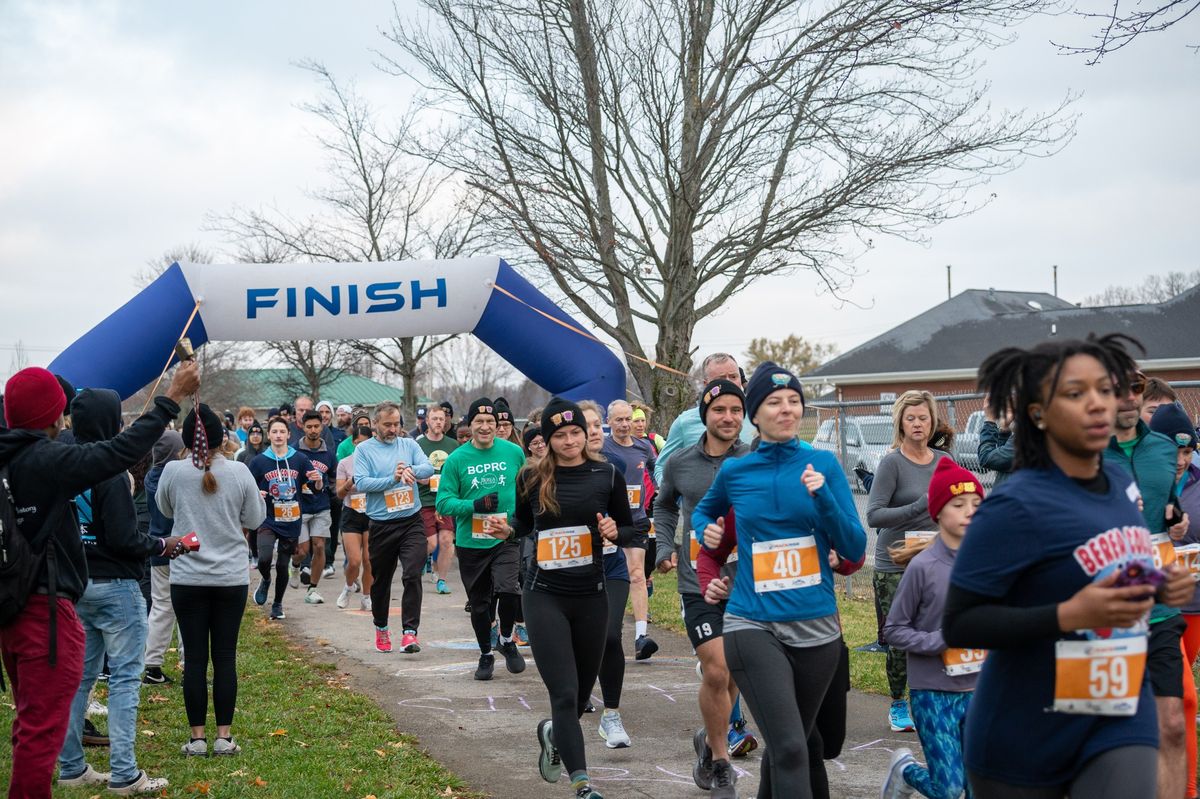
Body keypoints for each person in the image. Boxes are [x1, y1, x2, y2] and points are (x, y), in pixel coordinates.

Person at [943, 333, 1194, 799]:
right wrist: (1070, 616)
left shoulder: (1120, 481)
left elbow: (1107, 568)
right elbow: (959, 623)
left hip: (1119, 710)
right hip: (1024, 734)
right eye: (1076, 394)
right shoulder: (1014, 506)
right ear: (1038, 413)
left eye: (1105, 389)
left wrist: (1159, 585)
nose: (1098, 404)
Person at [0, 361, 198, 799]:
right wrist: (170, 397)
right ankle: (124, 773)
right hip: (48, 611)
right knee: (55, 719)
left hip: (24, 608)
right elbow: (116, 455)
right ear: (52, 416)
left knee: (44, 709)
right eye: (59, 411)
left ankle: (72, 767)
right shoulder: (47, 459)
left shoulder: (12, 459)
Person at [694, 361, 866, 798]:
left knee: (798, 743)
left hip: (817, 628)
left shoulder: (822, 464)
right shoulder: (737, 472)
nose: (786, 409)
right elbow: (703, 513)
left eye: (794, 401)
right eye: (774, 402)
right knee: (789, 745)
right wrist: (704, 529)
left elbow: (854, 548)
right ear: (755, 414)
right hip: (752, 623)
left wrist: (824, 497)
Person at [56, 388, 189, 795]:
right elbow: (125, 539)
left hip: (76, 584)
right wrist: (164, 545)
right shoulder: (110, 474)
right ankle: (125, 774)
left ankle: (72, 767)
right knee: (125, 680)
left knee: (79, 679)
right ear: (109, 423)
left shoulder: (60, 466)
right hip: (115, 587)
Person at [511, 397, 635, 799]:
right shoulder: (530, 478)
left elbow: (633, 530)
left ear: (586, 434)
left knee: (580, 698)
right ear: (546, 440)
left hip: (591, 596)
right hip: (544, 595)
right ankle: (582, 783)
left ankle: (552, 732)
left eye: (575, 433)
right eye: (559, 435)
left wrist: (616, 532)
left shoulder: (607, 474)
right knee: (563, 694)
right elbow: (523, 525)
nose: (569, 441)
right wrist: (504, 529)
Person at [653, 378, 753, 797]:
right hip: (698, 581)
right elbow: (663, 504)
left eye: (735, 410)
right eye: (719, 410)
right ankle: (720, 761)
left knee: (734, 674)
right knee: (717, 668)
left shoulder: (753, 459)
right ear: (704, 415)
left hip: (746, 582)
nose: (728, 418)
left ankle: (708, 739)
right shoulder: (679, 462)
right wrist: (662, 545)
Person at [156, 404, 265, 758]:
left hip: (187, 577)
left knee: (195, 659)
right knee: (225, 657)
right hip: (230, 577)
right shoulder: (239, 471)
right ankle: (223, 737)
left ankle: (197, 738)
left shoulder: (173, 470)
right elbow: (254, 516)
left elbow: (165, 510)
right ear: (222, 438)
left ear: (186, 438)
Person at [1106, 368, 1191, 799]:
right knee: (1098, 736)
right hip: (1099, 611)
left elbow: (1167, 509)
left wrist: (1177, 524)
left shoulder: (1162, 450)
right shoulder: (1081, 452)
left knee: (1173, 724)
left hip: (1159, 609)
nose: (1126, 396)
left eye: (1134, 387)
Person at [880, 458, 985, 799]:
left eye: (976, 503)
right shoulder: (923, 568)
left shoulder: (989, 564)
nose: (969, 511)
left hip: (979, 690)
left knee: (977, 787)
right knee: (948, 788)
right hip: (933, 692)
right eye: (958, 504)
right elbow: (894, 630)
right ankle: (905, 771)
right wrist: (939, 641)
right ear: (939, 512)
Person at [867, 390, 947, 733]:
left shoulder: (944, 461)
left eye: (923, 418)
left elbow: (959, 501)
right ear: (900, 422)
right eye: (911, 418)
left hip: (936, 561)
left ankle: (930, 699)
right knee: (902, 637)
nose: (917, 424)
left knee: (936, 633)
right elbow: (874, 516)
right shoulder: (892, 463)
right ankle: (899, 703)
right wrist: (919, 507)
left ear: (932, 422)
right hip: (895, 565)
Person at [436, 398, 527, 679]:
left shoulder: (513, 453)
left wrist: (520, 521)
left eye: (491, 422)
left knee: (510, 589)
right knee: (480, 604)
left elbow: (525, 491)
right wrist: (474, 505)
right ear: (470, 425)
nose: (486, 427)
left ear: (498, 426)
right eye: (480, 422)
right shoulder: (457, 459)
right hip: (472, 542)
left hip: (505, 536)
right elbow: (443, 503)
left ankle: (507, 639)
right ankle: (486, 654)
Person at [575, 400, 635, 748]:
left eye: (599, 424)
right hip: (570, 570)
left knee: (610, 636)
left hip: (611, 565)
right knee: (581, 643)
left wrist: (616, 531)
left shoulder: (613, 467)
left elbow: (629, 530)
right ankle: (573, 703)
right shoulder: (551, 473)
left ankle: (611, 716)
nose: (596, 431)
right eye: (589, 425)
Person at [353, 401, 434, 653]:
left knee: (412, 573)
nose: (393, 429)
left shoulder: (408, 444)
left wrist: (410, 469)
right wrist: (393, 479)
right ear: (375, 424)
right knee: (381, 581)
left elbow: (428, 467)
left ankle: (410, 633)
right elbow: (362, 482)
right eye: (387, 425)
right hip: (381, 524)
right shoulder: (364, 450)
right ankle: (381, 626)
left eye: (396, 424)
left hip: (411, 521)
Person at [1151, 401, 1200, 798]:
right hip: (1124, 615)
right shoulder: (1131, 477)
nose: (1181, 459)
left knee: (1179, 703)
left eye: (1187, 451)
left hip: (1179, 609)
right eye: (1173, 450)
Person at [248, 417, 322, 620]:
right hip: (268, 518)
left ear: (289, 435)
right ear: (269, 435)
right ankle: (265, 579)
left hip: (291, 518)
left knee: (282, 565)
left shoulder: (299, 459)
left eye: (282, 431)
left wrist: (317, 481)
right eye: (275, 432)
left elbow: (315, 487)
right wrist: (256, 493)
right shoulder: (259, 461)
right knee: (264, 559)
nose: (279, 435)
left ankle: (278, 604)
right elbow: (245, 487)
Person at [602, 400, 658, 660]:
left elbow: (654, 472)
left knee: (637, 575)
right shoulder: (602, 447)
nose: (625, 424)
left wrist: (657, 493)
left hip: (635, 520)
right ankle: (606, 629)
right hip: (608, 524)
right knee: (609, 578)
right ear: (609, 421)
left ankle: (641, 636)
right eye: (619, 420)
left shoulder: (643, 447)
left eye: (628, 419)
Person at [654, 353, 755, 482]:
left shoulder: (758, 417)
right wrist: (673, 495)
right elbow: (662, 466)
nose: (729, 382)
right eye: (721, 378)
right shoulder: (685, 422)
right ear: (706, 384)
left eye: (734, 377)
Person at [143, 431, 187, 685]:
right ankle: (189, 663)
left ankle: (153, 665)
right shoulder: (178, 477)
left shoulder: (151, 476)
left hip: (157, 546)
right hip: (179, 547)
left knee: (160, 607)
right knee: (186, 608)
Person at [416, 405, 458, 596]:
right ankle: (419, 564)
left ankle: (441, 580)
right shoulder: (419, 445)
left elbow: (459, 471)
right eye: (435, 419)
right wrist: (420, 477)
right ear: (427, 421)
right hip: (425, 499)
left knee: (447, 540)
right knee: (431, 543)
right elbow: (411, 468)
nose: (439, 422)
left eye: (441, 419)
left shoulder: (452, 445)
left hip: (446, 499)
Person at [295, 410, 337, 604]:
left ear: (322, 427)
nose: (313, 430)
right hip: (300, 506)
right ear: (302, 427)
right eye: (309, 427)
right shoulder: (295, 451)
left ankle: (312, 588)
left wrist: (328, 488)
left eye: (316, 426)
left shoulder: (328, 453)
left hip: (321, 505)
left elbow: (334, 478)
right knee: (302, 551)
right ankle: (295, 566)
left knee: (319, 545)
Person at [334, 424, 374, 611]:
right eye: (358, 443)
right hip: (351, 513)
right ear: (353, 443)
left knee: (369, 559)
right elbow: (340, 494)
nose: (361, 448)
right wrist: (351, 481)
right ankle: (348, 587)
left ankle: (367, 596)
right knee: (355, 560)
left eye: (365, 444)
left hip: (372, 512)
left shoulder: (376, 462)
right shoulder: (345, 463)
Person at [977, 399, 1015, 486]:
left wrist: (990, 420)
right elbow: (1004, 463)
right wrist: (1005, 429)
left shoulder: (1030, 435)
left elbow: (986, 458)